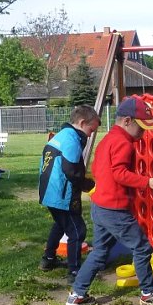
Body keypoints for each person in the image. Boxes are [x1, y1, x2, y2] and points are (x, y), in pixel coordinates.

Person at [66, 96, 153, 305]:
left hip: (100, 206)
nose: (143, 133)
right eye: (141, 128)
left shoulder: (107, 139)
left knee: (99, 252)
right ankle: (149, 293)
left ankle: (77, 294)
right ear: (127, 121)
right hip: (115, 209)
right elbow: (119, 173)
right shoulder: (124, 143)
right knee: (142, 247)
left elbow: (98, 169)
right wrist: (147, 182)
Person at [37, 105, 100, 282]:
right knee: (77, 231)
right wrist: (91, 184)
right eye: (90, 130)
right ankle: (75, 272)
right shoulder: (72, 140)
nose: (89, 135)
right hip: (62, 194)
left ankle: (48, 259)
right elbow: (72, 172)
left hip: (48, 191)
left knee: (60, 224)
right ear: (81, 123)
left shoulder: (61, 136)